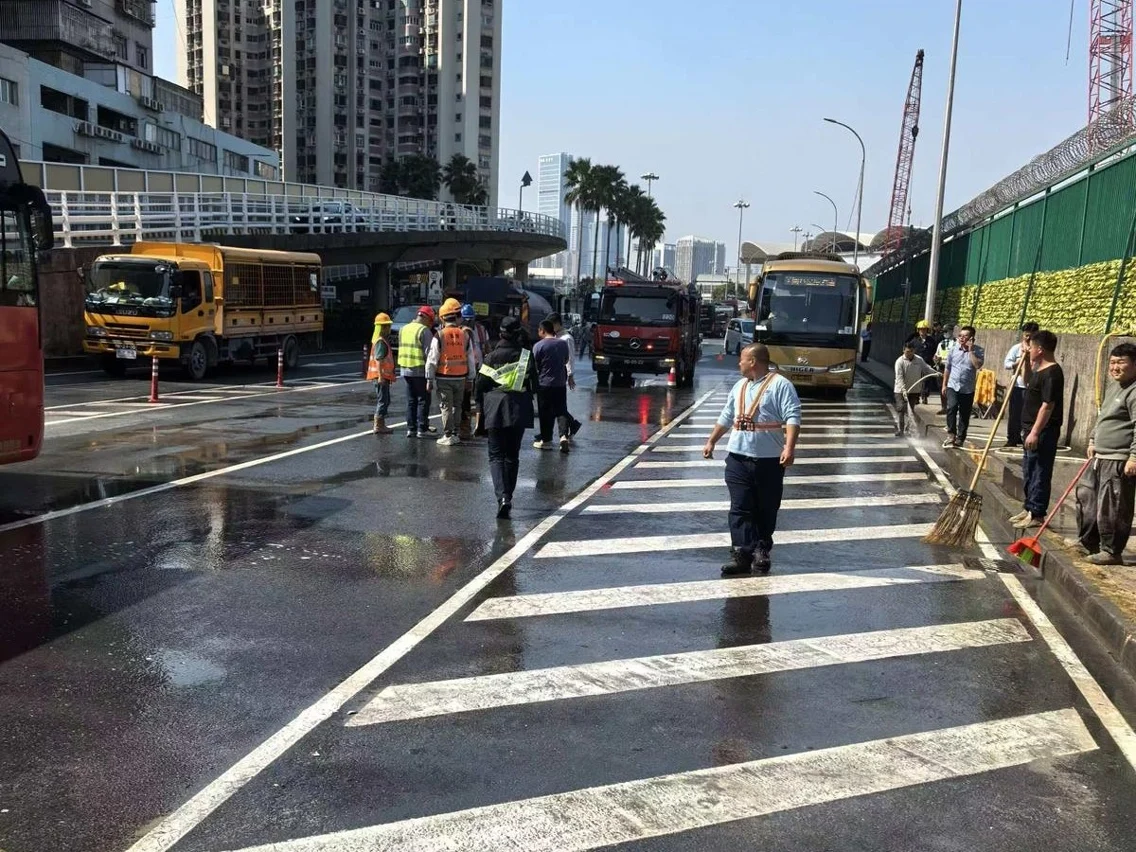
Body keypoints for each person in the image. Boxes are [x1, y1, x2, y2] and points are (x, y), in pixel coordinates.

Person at [702, 343, 801, 576]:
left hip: (769, 459)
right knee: (739, 507)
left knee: (766, 507)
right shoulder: (740, 386)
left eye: (742, 359)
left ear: (753, 361)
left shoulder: (780, 385)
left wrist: (789, 448)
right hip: (737, 457)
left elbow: (792, 416)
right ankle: (742, 554)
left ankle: (761, 550)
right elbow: (727, 415)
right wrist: (711, 441)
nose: (739, 363)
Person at [1073, 342, 1136, 565]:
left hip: (1118, 459)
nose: (1115, 367)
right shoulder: (1114, 387)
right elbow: (1103, 417)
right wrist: (1092, 439)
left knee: (1113, 506)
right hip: (1100, 456)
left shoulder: (1134, 391)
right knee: (1087, 498)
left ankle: (1111, 550)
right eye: (1112, 362)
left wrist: (1134, 457)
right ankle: (1088, 542)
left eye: (1121, 362)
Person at [476, 316, 536, 518]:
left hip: (495, 408)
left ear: (500, 333)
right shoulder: (526, 357)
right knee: (512, 456)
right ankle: (508, 496)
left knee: (495, 456)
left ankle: (502, 497)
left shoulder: (490, 357)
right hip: (518, 409)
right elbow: (534, 384)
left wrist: (479, 410)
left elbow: (480, 386)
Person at [1010, 330, 1064, 530]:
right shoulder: (1039, 370)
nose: (1029, 349)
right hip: (1029, 428)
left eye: (1031, 347)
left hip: (1043, 431)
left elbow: (1047, 406)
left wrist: (1035, 432)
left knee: (1040, 471)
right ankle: (1028, 507)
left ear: (1040, 349)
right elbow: (1026, 381)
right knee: (1028, 470)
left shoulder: (1052, 373)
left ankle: (1037, 512)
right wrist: (1025, 361)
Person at [426, 298, 477, 445]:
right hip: (461, 378)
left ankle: (448, 435)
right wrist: (470, 378)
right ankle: (455, 433)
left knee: (446, 406)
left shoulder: (439, 335)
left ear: (443, 318)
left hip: (444, 377)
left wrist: (429, 379)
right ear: (456, 317)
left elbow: (432, 359)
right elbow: (471, 359)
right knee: (457, 406)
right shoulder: (465, 335)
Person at [532, 319, 573, 453]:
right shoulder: (562, 344)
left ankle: (547, 441)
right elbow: (566, 360)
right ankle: (563, 436)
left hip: (544, 383)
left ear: (542, 331)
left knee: (545, 412)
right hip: (560, 383)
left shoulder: (538, 346)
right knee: (561, 410)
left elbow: (535, 364)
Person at [941, 325, 984, 449]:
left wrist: (970, 351)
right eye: (960, 335)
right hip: (953, 385)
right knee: (952, 407)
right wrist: (944, 384)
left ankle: (960, 437)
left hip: (967, 388)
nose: (961, 338)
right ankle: (951, 434)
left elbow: (977, 365)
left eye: (965, 336)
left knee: (964, 414)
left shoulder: (979, 351)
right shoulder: (953, 350)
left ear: (971, 338)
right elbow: (948, 368)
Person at [398, 305, 435, 438]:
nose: (431, 325)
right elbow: (429, 354)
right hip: (420, 370)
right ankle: (422, 429)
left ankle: (411, 428)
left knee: (411, 400)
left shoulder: (403, 329)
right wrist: (431, 375)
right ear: (426, 318)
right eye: (430, 321)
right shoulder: (424, 331)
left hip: (405, 369)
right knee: (423, 400)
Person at [547, 312, 583, 441]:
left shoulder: (566, 338)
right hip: (553, 374)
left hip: (561, 375)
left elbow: (570, 358)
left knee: (557, 405)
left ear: (557, 324)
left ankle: (565, 430)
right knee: (555, 405)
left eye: (552, 325)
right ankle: (572, 425)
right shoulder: (555, 337)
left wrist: (570, 375)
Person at [1003, 322, 1039, 448]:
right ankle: (1012, 438)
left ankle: (1026, 438)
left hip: (1031, 386)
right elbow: (1006, 364)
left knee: (1029, 415)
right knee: (1014, 414)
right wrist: (1017, 363)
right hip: (1018, 386)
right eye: (1026, 335)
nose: (1028, 338)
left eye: (1031, 336)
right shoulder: (1016, 348)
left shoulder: (1038, 350)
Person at [894, 341, 937, 436]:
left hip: (914, 389)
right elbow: (899, 377)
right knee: (901, 408)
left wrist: (935, 373)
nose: (909, 354)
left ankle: (908, 428)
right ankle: (900, 430)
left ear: (914, 351)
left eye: (911, 351)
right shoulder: (900, 361)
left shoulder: (919, 360)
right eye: (907, 352)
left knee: (911, 409)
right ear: (903, 350)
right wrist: (903, 389)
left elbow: (926, 368)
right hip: (900, 390)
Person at [460, 303, 489, 439]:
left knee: (477, 398)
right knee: (466, 399)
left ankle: (477, 427)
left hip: (477, 369)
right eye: (466, 319)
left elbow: (486, 348)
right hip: (464, 369)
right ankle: (465, 427)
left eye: (470, 319)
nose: (468, 322)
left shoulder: (480, 330)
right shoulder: (459, 331)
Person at [365, 312, 396, 435]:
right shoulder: (381, 342)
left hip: (382, 376)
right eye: (386, 326)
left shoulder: (380, 341)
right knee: (383, 401)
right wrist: (381, 376)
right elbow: (379, 360)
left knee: (385, 400)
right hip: (380, 376)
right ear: (382, 328)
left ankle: (381, 424)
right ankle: (378, 425)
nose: (389, 328)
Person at [905, 320, 941, 403]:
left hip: (927, 363)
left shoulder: (931, 340)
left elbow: (935, 351)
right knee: (917, 380)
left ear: (927, 330)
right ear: (918, 330)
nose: (922, 331)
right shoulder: (914, 341)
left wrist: (935, 360)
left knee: (926, 380)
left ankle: (925, 395)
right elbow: (909, 351)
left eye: (924, 329)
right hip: (916, 363)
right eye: (920, 329)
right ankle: (916, 397)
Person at [933, 328, 955, 414]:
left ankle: (951, 407)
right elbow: (937, 354)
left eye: (946, 331)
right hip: (941, 367)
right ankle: (944, 407)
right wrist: (935, 359)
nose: (945, 333)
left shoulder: (956, 343)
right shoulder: (941, 343)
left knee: (951, 388)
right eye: (943, 332)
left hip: (952, 368)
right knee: (941, 387)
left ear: (951, 331)